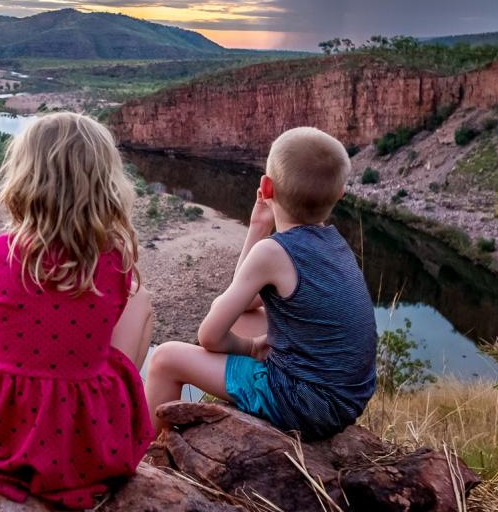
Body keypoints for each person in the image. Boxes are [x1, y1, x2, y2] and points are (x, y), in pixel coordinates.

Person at [0, 112, 156, 509]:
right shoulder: (116, 260)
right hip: (86, 440)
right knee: (141, 308)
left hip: (0, 430)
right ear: (106, 184)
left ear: (24, 179)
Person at [144, 126, 377, 440]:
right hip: (346, 400)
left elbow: (209, 335)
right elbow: (248, 302)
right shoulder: (335, 244)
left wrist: (250, 347)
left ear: (266, 188)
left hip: (302, 406)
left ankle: (146, 456)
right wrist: (258, 226)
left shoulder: (273, 252)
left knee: (165, 358)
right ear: (339, 194)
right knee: (245, 316)